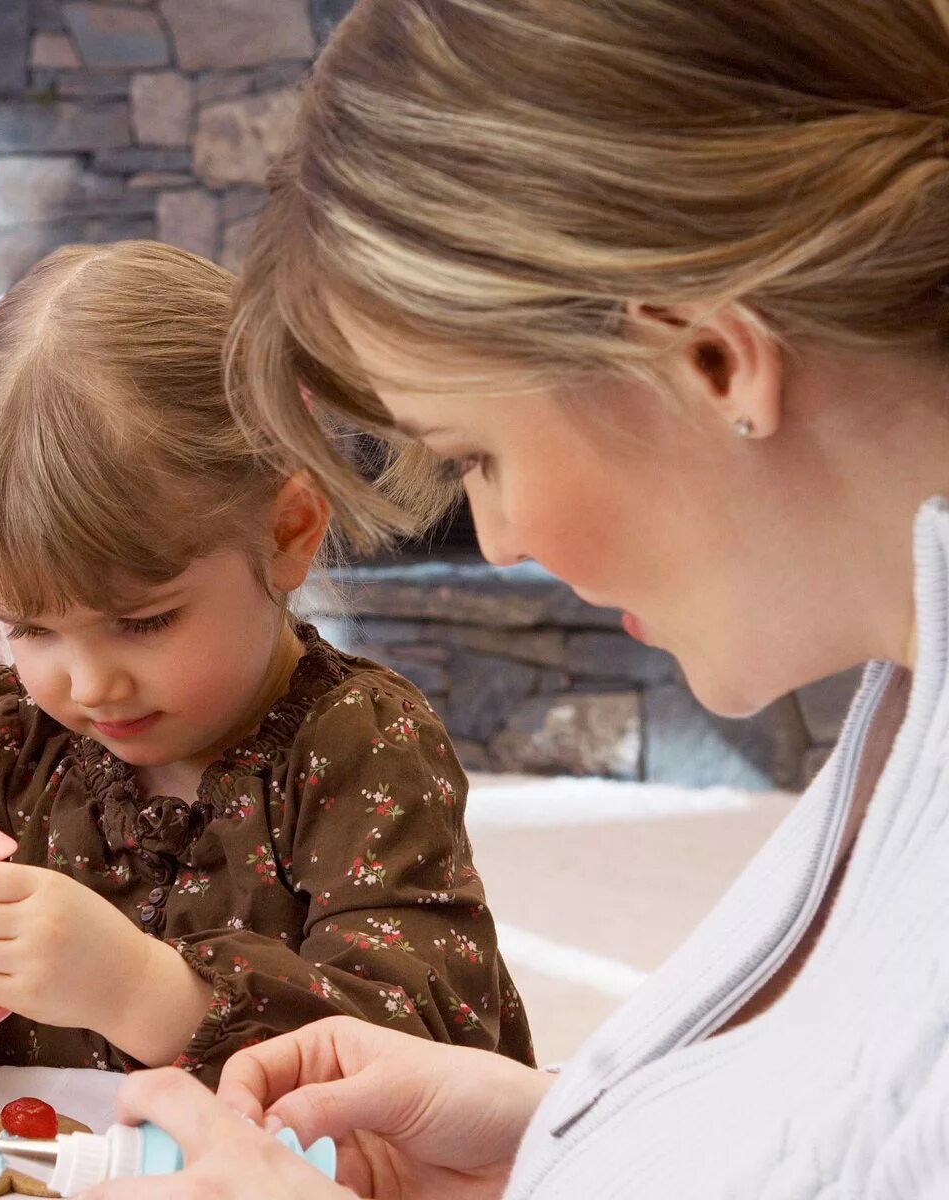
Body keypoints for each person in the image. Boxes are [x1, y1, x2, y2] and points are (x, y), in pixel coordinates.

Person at [98, 0, 949, 1195]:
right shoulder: (912, 690)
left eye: (476, 456)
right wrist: (558, 1137)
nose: (497, 541)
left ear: (707, 358)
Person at [0, 241, 533, 1089]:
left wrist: (136, 987)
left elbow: (421, 1046)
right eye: (31, 628)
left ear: (288, 532)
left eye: (142, 621)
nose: (86, 687)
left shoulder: (361, 750)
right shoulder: (9, 742)